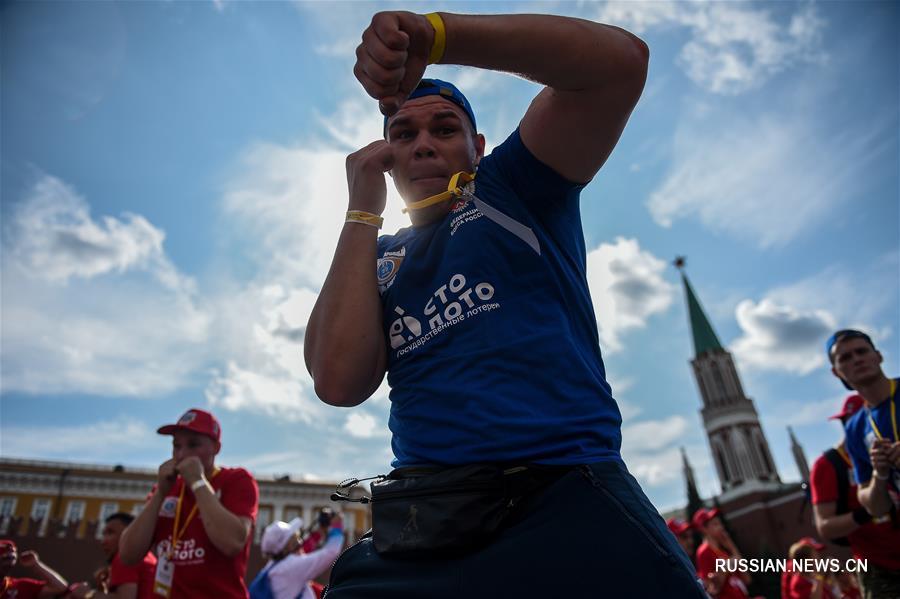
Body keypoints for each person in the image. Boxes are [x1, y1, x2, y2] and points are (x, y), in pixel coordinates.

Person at [306, 9, 704, 598]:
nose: (421, 146)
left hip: (563, 496)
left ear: (478, 146)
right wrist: (361, 211)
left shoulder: (512, 188)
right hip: (428, 521)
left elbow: (621, 64)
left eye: (444, 129)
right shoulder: (377, 258)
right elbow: (338, 382)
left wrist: (436, 36)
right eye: (403, 135)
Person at [118, 408, 259, 598]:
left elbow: (232, 542)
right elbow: (128, 555)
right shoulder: (166, 489)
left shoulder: (236, 480)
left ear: (216, 448)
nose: (182, 454)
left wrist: (198, 482)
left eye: (193, 445)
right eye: (176, 446)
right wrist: (160, 494)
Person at [827, 329, 900, 597]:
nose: (856, 359)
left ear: (878, 355)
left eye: (861, 351)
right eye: (845, 357)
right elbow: (875, 505)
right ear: (836, 372)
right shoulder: (856, 429)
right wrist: (880, 475)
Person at [809, 394, 900, 597]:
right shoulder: (828, 465)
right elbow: (825, 526)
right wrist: (868, 511)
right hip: (878, 568)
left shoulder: (888, 447)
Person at [249, 515, 345, 599]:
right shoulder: (291, 567)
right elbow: (330, 552)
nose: (299, 541)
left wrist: (318, 534)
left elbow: (303, 554)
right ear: (287, 545)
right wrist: (336, 528)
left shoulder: (274, 566)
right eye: (295, 538)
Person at [68, 512, 157, 599]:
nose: (103, 541)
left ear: (130, 534)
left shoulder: (125, 558)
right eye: (104, 534)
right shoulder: (148, 557)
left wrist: (88, 594)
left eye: (110, 533)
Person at [693, 508, 751, 599]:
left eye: (720, 523)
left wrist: (732, 547)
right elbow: (711, 589)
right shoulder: (703, 552)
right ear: (704, 529)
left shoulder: (723, 551)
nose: (721, 527)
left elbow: (747, 579)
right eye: (715, 524)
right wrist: (728, 565)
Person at [0, 541, 69, 598]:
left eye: (13, 558)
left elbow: (60, 587)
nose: (9, 563)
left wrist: (36, 564)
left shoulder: (19, 586)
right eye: (5, 558)